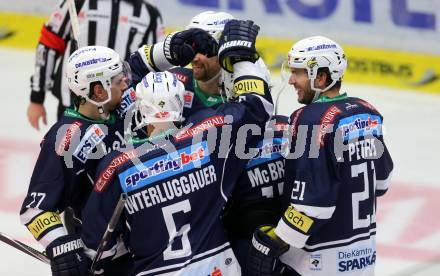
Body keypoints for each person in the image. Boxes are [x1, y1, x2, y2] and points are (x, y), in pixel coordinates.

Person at [81, 19, 273, 275]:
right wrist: (242, 58)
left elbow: (96, 246)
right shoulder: (209, 136)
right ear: (181, 104)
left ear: (139, 109)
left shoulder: (118, 164)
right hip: (216, 266)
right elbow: (258, 107)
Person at [246, 36, 394, 276]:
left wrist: (277, 237)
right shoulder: (369, 112)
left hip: (316, 262)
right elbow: (383, 182)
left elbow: (312, 204)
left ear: (321, 77)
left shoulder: (309, 119)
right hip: (363, 257)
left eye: (299, 73)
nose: (292, 80)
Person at [20, 45, 131, 276]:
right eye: (118, 80)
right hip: (109, 261)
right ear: (99, 91)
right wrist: (63, 249)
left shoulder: (122, 107)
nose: (126, 84)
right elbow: (35, 209)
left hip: (146, 246)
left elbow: (142, 69)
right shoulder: (67, 139)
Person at [28, 0, 165, 130]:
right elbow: (48, 46)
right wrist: (37, 98)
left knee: (115, 154)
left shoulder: (150, 13)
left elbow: (154, 63)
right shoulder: (76, 3)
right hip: (73, 104)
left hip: (122, 107)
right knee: (68, 152)